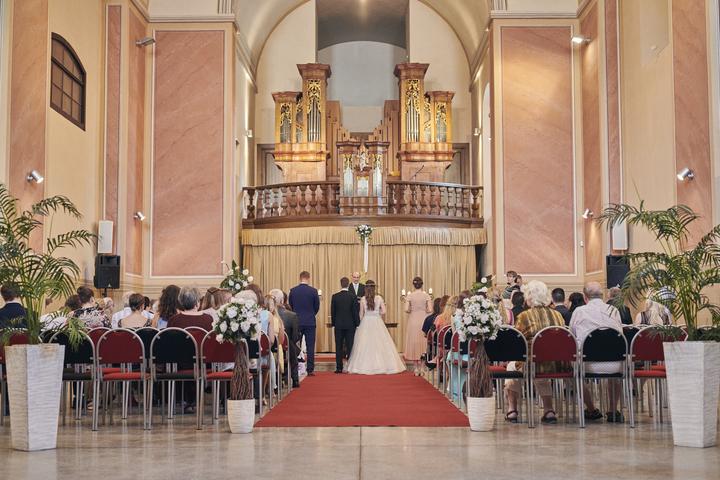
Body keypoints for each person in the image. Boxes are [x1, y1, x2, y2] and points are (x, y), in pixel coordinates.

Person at [504, 280, 566, 424]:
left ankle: (512, 410)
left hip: (534, 363)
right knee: (541, 367)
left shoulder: (524, 316)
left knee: (512, 367)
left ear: (529, 297)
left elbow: (517, 341)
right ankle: (549, 410)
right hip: (557, 363)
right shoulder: (557, 315)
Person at [570, 282, 624, 422]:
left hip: (588, 365)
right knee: (617, 360)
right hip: (615, 365)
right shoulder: (614, 310)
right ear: (603, 295)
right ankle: (613, 410)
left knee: (573, 369)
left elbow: (572, 337)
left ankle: (591, 409)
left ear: (585, 297)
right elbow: (620, 336)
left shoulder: (579, 312)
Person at [347, 280, 405, 375]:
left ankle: (363, 366)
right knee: (380, 343)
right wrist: (377, 313)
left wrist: (359, 325)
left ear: (365, 288)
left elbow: (361, 314)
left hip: (366, 322)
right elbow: (384, 311)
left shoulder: (363, 299)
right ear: (374, 288)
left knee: (365, 344)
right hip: (377, 321)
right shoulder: (379, 298)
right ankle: (383, 365)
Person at [288, 271, 320, 376]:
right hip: (310, 321)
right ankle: (310, 369)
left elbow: (291, 306)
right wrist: (311, 314)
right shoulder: (313, 291)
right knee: (310, 346)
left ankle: (296, 368)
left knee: (296, 345)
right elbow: (316, 307)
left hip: (297, 321)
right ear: (308, 278)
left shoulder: (293, 291)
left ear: (300, 278)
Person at [270, 289, 301, 388]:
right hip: (287, 347)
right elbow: (296, 336)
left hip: (271, 347)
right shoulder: (292, 315)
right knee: (292, 346)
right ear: (282, 300)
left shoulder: (267, 315)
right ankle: (295, 379)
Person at [330, 277, 360, 373]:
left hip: (338, 325)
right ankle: (350, 366)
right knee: (350, 345)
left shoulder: (335, 296)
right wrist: (357, 323)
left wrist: (333, 323)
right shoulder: (353, 296)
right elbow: (355, 312)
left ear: (341, 284)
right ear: (348, 285)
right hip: (350, 325)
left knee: (338, 346)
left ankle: (339, 367)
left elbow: (333, 312)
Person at [403, 276, 432, 375]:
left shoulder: (410, 296)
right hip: (423, 319)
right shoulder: (426, 295)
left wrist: (412, 309)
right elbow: (430, 309)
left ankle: (415, 368)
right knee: (423, 342)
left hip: (413, 320)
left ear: (413, 285)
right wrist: (423, 309)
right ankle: (423, 368)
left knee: (414, 342)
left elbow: (406, 309)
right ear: (422, 285)